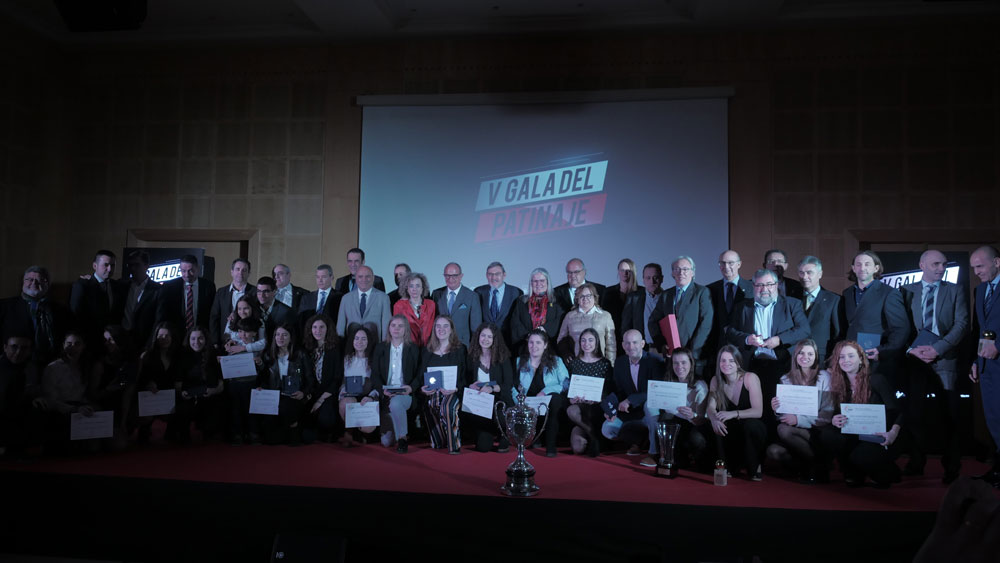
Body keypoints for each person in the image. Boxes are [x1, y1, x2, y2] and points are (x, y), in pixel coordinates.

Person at [900, 249, 968, 482]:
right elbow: (899, 327)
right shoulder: (906, 291)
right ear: (922, 265)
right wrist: (911, 350)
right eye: (936, 264)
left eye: (944, 264)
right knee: (915, 414)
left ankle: (951, 467)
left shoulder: (955, 290)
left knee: (949, 415)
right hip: (915, 360)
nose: (941, 268)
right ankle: (916, 462)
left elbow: (962, 324)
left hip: (945, 360)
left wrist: (937, 349)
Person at [725, 268, 810, 431]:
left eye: (769, 284)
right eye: (759, 285)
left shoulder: (792, 304)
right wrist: (747, 339)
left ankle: (775, 442)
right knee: (753, 412)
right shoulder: (743, 306)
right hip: (752, 366)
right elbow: (730, 332)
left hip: (782, 365)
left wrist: (779, 339)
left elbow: (804, 330)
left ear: (776, 285)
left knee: (777, 411)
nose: (764, 289)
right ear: (753, 286)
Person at [819, 340, 903, 488]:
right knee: (828, 435)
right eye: (841, 357)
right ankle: (852, 472)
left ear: (860, 359)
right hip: (853, 434)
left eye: (851, 356)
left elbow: (899, 411)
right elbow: (838, 412)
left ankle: (889, 473)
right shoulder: (839, 384)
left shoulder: (876, 380)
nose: (846, 360)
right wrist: (834, 420)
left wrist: (892, 433)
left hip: (879, 434)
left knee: (862, 456)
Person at [766, 339, 834, 483]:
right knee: (773, 451)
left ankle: (817, 467)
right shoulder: (785, 379)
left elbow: (827, 414)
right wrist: (777, 410)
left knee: (783, 430)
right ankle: (809, 467)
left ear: (816, 356)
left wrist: (799, 419)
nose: (805, 357)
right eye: (801, 353)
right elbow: (783, 417)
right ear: (795, 355)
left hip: (816, 430)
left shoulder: (824, 377)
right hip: (794, 434)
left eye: (810, 354)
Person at [842, 250, 909, 388]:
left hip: (876, 362)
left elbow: (901, 329)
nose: (862, 268)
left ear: (876, 268)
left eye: (867, 264)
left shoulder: (889, 293)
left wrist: (882, 351)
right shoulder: (847, 293)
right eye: (858, 264)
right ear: (853, 268)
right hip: (851, 361)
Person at [602, 329, 664, 466]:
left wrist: (631, 400)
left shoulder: (655, 361)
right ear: (623, 345)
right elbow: (618, 391)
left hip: (651, 411)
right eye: (627, 343)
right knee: (607, 428)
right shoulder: (620, 363)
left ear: (643, 344)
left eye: (635, 342)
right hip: (631, 413)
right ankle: (638, 441)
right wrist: (609, 409)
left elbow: (657, 391)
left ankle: (653, 453)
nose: (631, 347)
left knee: (650, 405)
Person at [706, 345, 765, 481]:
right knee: (717, 423)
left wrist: (733, 413)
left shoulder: (750, 378)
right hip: (731, 428)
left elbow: (758, 411)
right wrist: (714, 419)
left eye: (731, 360)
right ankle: (725, 467)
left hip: (751, 426)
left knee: (751, 425)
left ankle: (754, 467)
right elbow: (710, 407)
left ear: (738, 363)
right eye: (723, 360)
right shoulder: (716, 380)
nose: (726, 364)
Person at [648, 256, 714, 376]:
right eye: (677, 269)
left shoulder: (702, 292)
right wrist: (662, 344)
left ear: (693, 272)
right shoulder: (666, 295)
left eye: (685, 269)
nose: (681, 272)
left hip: (694, 357)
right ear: (672, 273)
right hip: (671, 358)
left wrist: (691, 352)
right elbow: (653, 321)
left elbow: (706, 324)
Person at [969, 245, 1000, 487]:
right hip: (987, 367)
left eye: (980, 266)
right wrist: (975, 360)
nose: (976, 272)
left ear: (997, 262)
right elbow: (981, 329)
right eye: (974, 268)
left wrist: (998, 345)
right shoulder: (980, 290)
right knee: (994, 420)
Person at [0, 266, 73, 367]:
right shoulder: (4, 306)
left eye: (40, 280)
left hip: (51, 365)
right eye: (30, 279)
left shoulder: (61, 310)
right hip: (13, 365)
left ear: (47, 284)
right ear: (23, 282)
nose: (34, 283)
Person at [40, 332, 98, 452]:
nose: (73, 347)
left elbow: (82, 394)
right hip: (60, 411)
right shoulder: (53, 368)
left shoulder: (84, 366)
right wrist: (75, 409)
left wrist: (87, 406)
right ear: (63, 345)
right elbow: (51, 400)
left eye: (77, 344)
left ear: (83, 346)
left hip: (78, 408)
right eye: (69, 344)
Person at [515, 329, 568, 457]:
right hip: (528, 402)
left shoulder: (556, 361)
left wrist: (545, 391)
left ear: (545, 345)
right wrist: (519, 401)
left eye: (538, 342)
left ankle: (551, 446)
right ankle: (534, 437)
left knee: (555, 400)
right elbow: (514, 386)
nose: (534, 346)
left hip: (549, 401)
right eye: (531, 342)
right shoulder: (519, 361)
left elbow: (566, 384)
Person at [371, 315, 420, 453]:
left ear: (406, 329)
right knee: (386, 442)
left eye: (400, 326)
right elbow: (374, 375)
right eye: (393, 325)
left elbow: (419, 374)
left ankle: (402, 439)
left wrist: (411, 387)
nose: (396, 329)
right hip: (386, 393)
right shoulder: (381, 348)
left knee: (396, 403)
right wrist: (382, 391)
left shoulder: (413, 348)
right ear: (389, 328)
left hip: (405, 394)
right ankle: (398, 432)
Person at [420, 316, 467, 454]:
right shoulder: (427, 351)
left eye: (445, 326)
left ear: (451, 329)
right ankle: (441, 440)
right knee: (431, 404)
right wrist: (423, 388)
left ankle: (454, 444)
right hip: (433, 392)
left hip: (454, 391)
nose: (441, 329)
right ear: (434, 329)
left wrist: (456, 388)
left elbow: (465, 375)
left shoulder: (460, 349)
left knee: (447, 406)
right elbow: (421, 375)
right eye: (438, 326)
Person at [258, 324, 312, 445]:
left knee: (286, 408)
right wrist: (262, 387)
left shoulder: (301, 354)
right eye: (277, 335)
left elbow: (310, 379)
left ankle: (294, 427)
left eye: (284, 335)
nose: (280, 338)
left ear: (291, 338)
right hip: (274, 395)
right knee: (270, 439)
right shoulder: (268, 355)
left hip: (294, 395)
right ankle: (288, 429)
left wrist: (304, 392)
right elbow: (265, 378)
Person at [465, 322, 513, 453]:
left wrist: (492, 389)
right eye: (483, 335)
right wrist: (470, 386)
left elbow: (508, 384)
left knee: (499, 415)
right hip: (480, 403)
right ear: (478, 336)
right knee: (483, 447)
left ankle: (504, 433)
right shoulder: (471, 357)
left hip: (499, 401)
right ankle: (490, 433)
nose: (485, 339)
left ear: (494, 339)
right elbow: (465, 380)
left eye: (489, 336)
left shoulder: (503, 357)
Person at [565, 327, 613, 457]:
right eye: (583, 340)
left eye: (590, 340)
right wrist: (571, 398)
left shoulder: (605, 364)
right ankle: (594, 435)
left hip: (597, 408)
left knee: (579, 447)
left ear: (597, 342)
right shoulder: (574, 363)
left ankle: (595, 436)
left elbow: (609, 389)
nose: (587, 344)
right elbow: (569, 387)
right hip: (580, 412)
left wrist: (598, 398)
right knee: (578, 449)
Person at [661, 347, 710, 470]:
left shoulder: (699, 386)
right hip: (678, 422)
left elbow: (703, 421)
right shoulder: (670, 382)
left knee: (696, 438)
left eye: (683, 362)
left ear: (691, 364)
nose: (679, 367)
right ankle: (672, 458)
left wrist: (692, 415)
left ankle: (700, 459)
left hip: (696, 425)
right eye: (675, 363)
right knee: (665, 422)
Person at [70, 250, 126, 353]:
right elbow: (76, 315)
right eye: (106, 265)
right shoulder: (82, 286)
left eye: (112, 265)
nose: (110, 269)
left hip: (111, 344)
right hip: (90, 342)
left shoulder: (117, 286)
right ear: (95, 266)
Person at [173, 326, 223, 442]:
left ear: (206, 339)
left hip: (210, 395)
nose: (196, 342)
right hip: (188, 396)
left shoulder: (214, 354)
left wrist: (214, 391)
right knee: (183, 408)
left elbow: (221, 383)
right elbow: (177, 383)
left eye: (200, 338)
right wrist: (181, 393)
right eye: (193, 338)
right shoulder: (182, 356)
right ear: (188, 340)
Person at [136, 322, 182, 443]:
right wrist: (149, 384)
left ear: (172, 338)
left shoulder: (177, 356)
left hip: (169, 394)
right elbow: (139, 380)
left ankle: (171, 431)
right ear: (155, 337)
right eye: (160, 336)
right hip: (150, 394)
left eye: (167, 336)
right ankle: (144, 428)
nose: (164, 339)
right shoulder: (146, 355)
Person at [706, 250, 754, 365]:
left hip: (744, 348)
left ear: (739, 264)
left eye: (730, 263)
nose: (726, 267)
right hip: (717, 348)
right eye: (722, 263)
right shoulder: (709, 289)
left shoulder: (752, 288)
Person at [224, 316, 265, 446]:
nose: (243, 335)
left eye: (247, 332)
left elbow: (263, 369)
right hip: (235, 384)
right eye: (240, 331)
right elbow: (228, 364)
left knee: (252, 410)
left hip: (252, 383)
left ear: (254, 333)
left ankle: (254, 433)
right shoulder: (234, 345)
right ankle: (237, 434)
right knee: (236, 410)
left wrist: (260, 363)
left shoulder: (257, 348)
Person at [0, 335, 44, 456]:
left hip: (19, 407)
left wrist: (35, 397)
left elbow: (33, 389)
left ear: (29, 351)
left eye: (24, 348)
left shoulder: (30, 368)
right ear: (5, 347)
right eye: (14, 347)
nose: (18, 352)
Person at [302, 314, 341, 443]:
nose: (318, 331)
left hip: (328, 393)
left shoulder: (334, 349)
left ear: (327, 329)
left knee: (326, 419)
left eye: (321, 327)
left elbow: (337, 378)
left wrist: (320, 400)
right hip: (312, 392)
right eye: (314, 327)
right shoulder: (307, 349)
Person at [337, 324, 379, 446]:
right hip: (350, 396)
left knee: (367, 428)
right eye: (356, 338)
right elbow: (342, 382)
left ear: (368, 341)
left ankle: (362, 434)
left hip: (367, 398)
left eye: (363, 339)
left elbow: (377, 384)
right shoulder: (346, 359)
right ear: (352, 341)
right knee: (346, 402)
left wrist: (371, 397)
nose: (359, 342)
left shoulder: (374, 360)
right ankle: (349, 432)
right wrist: (343, 390)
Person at [797, 255, 842, 367]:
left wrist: (832, 359)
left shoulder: (833, 299)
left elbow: (837, 333)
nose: (804, 277)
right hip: (795, 357)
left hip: (822, 358)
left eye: (809, 273)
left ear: (820, 274)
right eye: (801, 273)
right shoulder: (792, 298)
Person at [557, 282, 616, 363]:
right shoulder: (569, 316)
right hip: (575, 362)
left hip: (600, 363)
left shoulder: (605, 316)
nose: (585, 299)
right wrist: (566, 353)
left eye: (589, 296)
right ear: (577, 299)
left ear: (595, 297)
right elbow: (561, 339)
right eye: (582, 296)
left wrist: (610, 364)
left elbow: (611, 344)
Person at [157, 255, 216, 335]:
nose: (187, 275)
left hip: (200, 335)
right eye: (183, 271)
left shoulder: (208, 286)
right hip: (175, 335)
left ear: (197, 268)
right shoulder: (169, 287)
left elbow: (212, 314)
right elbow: (163, 313)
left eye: (190, 270)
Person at [510, 268, 564, 355]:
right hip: (526, 346)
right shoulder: (521, 301)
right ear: (531, 283)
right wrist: (530, 335)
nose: (538, 284)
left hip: (551, 347)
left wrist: (544, 329)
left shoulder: (557, 301)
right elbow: (515, 322)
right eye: (535, 281)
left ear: (548, 282)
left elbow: (560, 320)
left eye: (542, 280)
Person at [431, 262, 482, 347]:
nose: (450, 279)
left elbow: (476, 328)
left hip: (462, 345)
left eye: (454, 276)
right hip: (440, 345)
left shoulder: (472, 296)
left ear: (461, 276)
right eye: (447, 275)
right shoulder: (436, 294)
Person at [475, 261, 523, 347]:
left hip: (508, 343)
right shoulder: (479, 292)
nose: (493, 277)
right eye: (490, 274)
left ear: (504, 275)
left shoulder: (516, 292)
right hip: (485, 343)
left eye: (497, 274)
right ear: (486, 275)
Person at [209, 258, 255, 347]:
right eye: (237, 269)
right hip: (224, 342)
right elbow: (214, 317)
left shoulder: (255, 292)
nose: (240, 273)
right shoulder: (221, 292)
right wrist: (215, 341)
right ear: (232, 272)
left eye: (244, 270)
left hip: (248, 343)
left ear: (249, 273)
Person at [121, 250, 162, 350]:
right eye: (130, 265)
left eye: (137, 265)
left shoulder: (157, 290)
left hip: (144, 342)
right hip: (122, 340)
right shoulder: (121, 286)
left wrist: (149, 345)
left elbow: (158, 320)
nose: (133, 268)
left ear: (147, 266)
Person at [336, 266, 391, 340]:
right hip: (352, 344)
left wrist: (385, 345)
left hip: (375, 343)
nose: (364, 279)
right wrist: (340, 343)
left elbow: (386, 325)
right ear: (356, 279)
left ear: (373, 278)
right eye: (360, 277)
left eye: (367, 276)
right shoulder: (346, 298)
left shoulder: (383, 298)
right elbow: (340, 326)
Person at [600, 258, 636, 356]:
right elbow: (604, 316)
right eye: (622, 270)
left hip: (635, 339)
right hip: (614, 339)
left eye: (628, 270)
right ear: (618, 271)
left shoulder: (641, 292)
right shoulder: (608, 292)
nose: (625, 273)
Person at [621, 263, 663, 345]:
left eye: (655, 277)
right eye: (648, 278)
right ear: (643, 280)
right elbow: (626, 326)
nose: (652, 281)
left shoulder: (668, 298)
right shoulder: (634, 298)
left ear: (661, 279)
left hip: (664, 348)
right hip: (640, 348)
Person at [392, 272, 436, 347]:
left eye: (417, 286)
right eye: (411, 286)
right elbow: (397, 329)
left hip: (428, 346)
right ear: (407, 289)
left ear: (422, 288)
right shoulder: (399, 306)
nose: (414, 289)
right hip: (408, 347)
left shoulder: (431, 305)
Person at [298, 264, 342, 333]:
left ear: (332, 277)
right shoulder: (307, 298)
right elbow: (301, 321)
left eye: (324, 277)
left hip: (331, 335)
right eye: (318, 277)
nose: (320, 280)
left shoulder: (340, 297)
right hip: (310, 336)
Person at [254, 276, 296, 343]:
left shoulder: (285, 312)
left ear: (275, 291)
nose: (261, 295)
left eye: (266, 291)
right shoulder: (253, 307)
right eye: (259, 291)